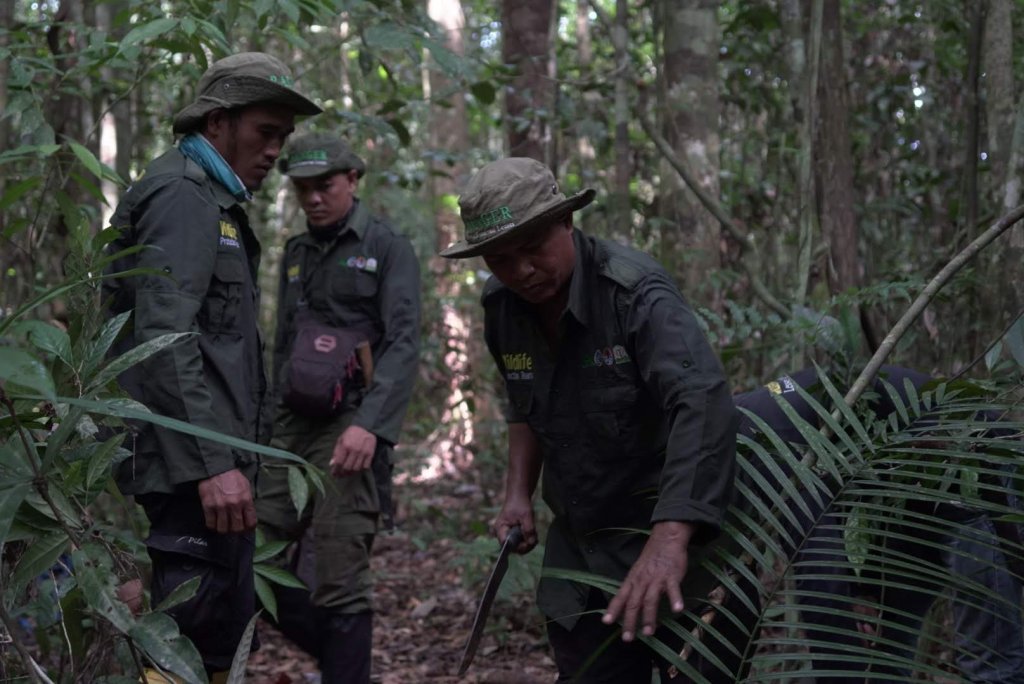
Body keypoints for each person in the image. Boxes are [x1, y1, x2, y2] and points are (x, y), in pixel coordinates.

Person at [439, 157, 738, 683]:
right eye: (500, 260)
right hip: (581, 546)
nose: (521, 271)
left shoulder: (634, 293)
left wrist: (670, 540)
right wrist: (517, 494)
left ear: (567, 223)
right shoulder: (502, 306)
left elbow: (703, 401)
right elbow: (523, 396)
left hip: (670, 536)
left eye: (532, 249)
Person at [104, 52, 321, 677]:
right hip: (189, 472)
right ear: (219, 121)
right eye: (266, 132)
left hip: (213, 466)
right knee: (187, 642)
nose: (275, 150)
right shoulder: (182, 195)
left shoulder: (216, 202)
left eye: (284, 136)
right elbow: (164, 338)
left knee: (217, 635)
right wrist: (213, 465)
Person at [734, 365, 1024, 682]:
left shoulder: (763, 442)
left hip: (975, 465)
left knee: (992, 661)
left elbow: (820, 575)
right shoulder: (759, 418)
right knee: (884, 645)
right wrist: (864, 590)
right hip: (913, 495)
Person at [255, 132, 421, 683]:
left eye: (324, 186)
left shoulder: (386, 246)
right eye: (302, 189)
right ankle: (338, 660)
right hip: (291, 423)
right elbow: (281, 344)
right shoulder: (297, 253)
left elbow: (402, 342)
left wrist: (370, 427)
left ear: (352, 179)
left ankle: (344, 668)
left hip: (351, 422)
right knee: (255, 554)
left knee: (338, 568)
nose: (313, 199)